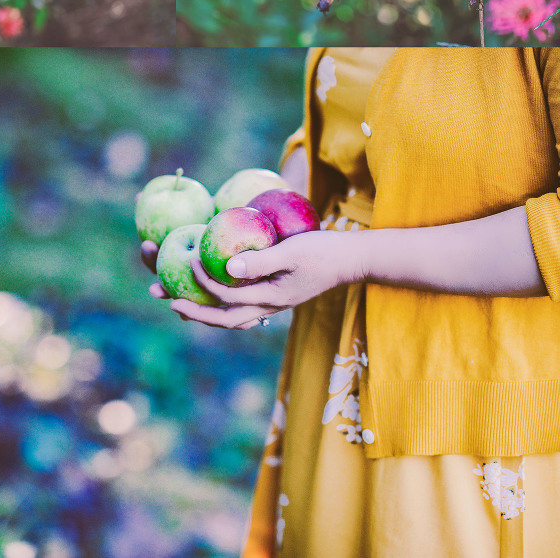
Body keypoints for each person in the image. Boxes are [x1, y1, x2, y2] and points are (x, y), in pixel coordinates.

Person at [142, 47, 560, 558]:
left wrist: (353, 257)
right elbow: (347, 123)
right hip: (335, 365)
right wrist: (269, 221)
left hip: (470, 399)